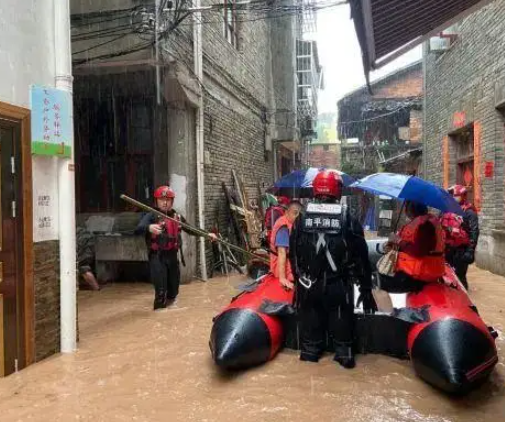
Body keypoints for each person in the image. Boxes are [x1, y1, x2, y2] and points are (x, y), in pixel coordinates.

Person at [289, 170, 376, 369]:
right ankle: (343, 358)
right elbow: (362, 258)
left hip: (309, 287)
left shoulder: (301, 219)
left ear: (315, 190)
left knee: (309, 352)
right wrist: (366, 290)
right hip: (339, 288)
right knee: (345, 353)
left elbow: (294, 257)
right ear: (337, 191)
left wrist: (298, 285)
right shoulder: (348, 218)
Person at [135, 186, 216, 310]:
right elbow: (137, 230)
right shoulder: (151, 215)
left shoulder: (177, 216)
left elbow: (191, 229)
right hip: (157, 257)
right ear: (156, 201)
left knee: (173, 292)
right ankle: (158, 316)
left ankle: (171, 316)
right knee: (161, 293)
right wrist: (148, 228)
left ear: (172, 201)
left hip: (172, 256)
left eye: (168, 199)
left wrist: (206, 234)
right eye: (161, 199)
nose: (165, 202)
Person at [380, 200, 445, 293]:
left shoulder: (425, 226)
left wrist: (399, 241)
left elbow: (418, 251)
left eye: (406, 206)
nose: (405, 209)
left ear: (412, 208)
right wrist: (392, 244)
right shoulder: (422, 223)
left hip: (421, 274)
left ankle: (384, 308)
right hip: (419, 271)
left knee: (378, 282)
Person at [442, 185, 479, 289]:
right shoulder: (446, 210)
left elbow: (474, 231)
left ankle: (465, 302)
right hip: (447, 248)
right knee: (447, 274)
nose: (453, 198)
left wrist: (470, 250)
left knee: (460, 276)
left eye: (456, 196)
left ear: (463, 196)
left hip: (461, 249)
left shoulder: (469, 212)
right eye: (452, 196)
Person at [269, 200, 303, 290]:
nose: (297, 216)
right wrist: (283, 278)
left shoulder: (294, 225)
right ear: (286, 212)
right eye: (295, 213)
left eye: (299, 214)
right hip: (282, 267)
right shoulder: (283, 228)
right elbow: (281, 253)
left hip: (291, 261)